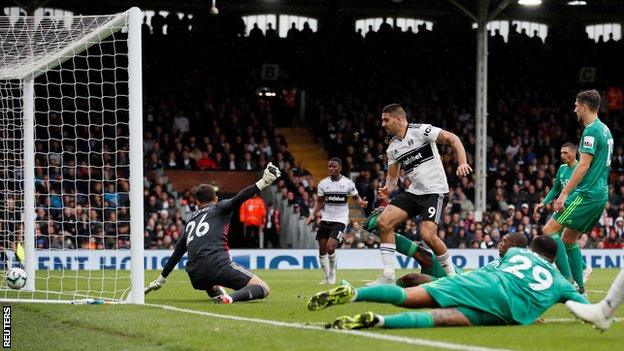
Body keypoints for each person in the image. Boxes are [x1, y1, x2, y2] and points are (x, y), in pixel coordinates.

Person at [307, 236, 588, 330]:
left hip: (473, 283)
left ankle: (355, 294)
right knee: (438, 318)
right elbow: (589, 310)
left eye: (504, 242)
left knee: (412, 291)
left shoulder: (514, 254)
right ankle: (379, 321)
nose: (500, 244)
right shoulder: (557, 281)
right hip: (501, 308)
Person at [145, 163, 281, 304]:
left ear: (197, 202)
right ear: (216, 199)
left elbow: (176, 254)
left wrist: (161, 279)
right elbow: (238, 198)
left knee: (212, 283)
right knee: (263, 288)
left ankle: (217, 293)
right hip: (218, 265)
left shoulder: (190, 222)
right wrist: (263, 182)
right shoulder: (219, 207)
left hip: (196, 276)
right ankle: (229, 298)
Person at [370, 103, 472, 284]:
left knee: (428, 236)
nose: (383, 124)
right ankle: (388, 276)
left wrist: (462, 162)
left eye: (386, 120)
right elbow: (392, 178)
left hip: (435, 191)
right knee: (383, 222)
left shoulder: (421, 131)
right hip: (415, 192)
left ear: (399, 119)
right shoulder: (392, 147)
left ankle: (454, 279)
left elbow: (453, 138)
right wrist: (388, 189)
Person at [541, 90, 613, 295]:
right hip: (599, 194)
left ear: (584, 106)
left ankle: (567, 281)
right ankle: (579, 288)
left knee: (548, 231)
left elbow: (583, 166)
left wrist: (563, 194)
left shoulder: (590, 131)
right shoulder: (605, 130)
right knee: (568, 239)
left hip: (586, 194)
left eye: (576, 105)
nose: (574, 109)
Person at [534, 143, 591, 285]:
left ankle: (568, 276)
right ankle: (583, 268)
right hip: (563, 208)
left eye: (565, 153)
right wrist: (543, 202)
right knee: (561, 239)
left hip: (577, 208)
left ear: (574, 153)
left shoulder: (582, 169)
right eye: (561, 153)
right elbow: (555, 189)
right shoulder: (562, 169)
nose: (562, 156)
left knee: (551, 233)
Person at [306, 158, 367, 284]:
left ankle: (333, 273)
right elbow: (319, 202)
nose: (331, 169)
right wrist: (313, 214)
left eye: (334, 167)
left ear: (340, 168)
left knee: (330, 247)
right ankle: (326, 276)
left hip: (340, 220)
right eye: (329, 166)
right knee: (322, 249)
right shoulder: (323, 184)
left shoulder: (348, 183)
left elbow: (356, 197)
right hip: (326, 219)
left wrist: (361, 202)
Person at [396, 232, 527, 287]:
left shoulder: (514, 269)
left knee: (412, 278)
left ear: (513, 246)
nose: (500, 243)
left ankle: (389, 288)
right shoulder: (502, 259)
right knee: (425, 255)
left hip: (463, 287)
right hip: (460, 275)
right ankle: (380, 229)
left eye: (504, 242)